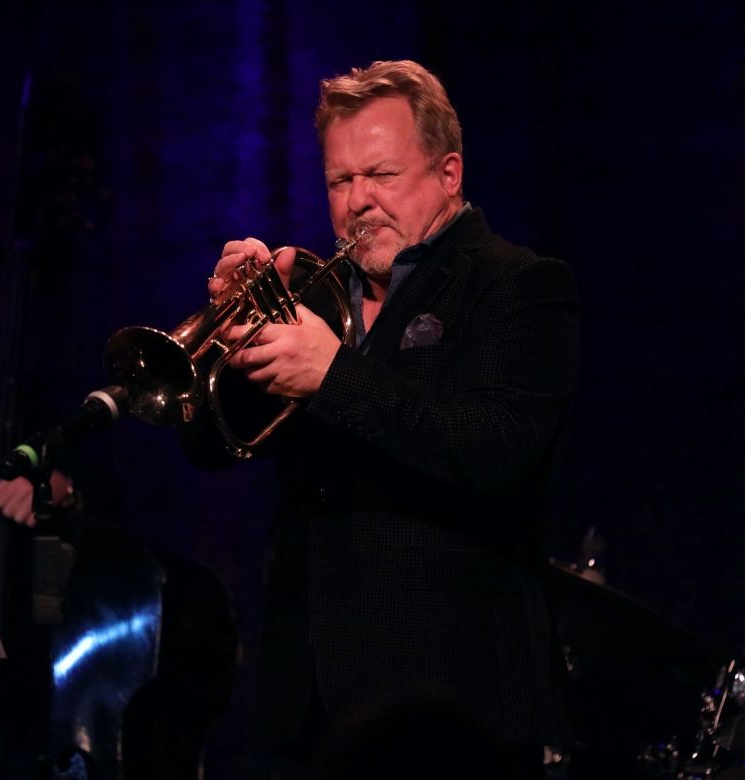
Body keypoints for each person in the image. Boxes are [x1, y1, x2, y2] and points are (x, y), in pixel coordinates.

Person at [201, 58, 581, 779]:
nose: (358, 202)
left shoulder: (520, 286)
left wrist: (334, 374)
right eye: (341, 182)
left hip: (452, 702)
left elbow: (497, 449)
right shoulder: (312, 299)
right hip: (309, 703)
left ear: (448, 174)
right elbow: (215, 449)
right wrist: (235, 339)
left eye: (381, 175)